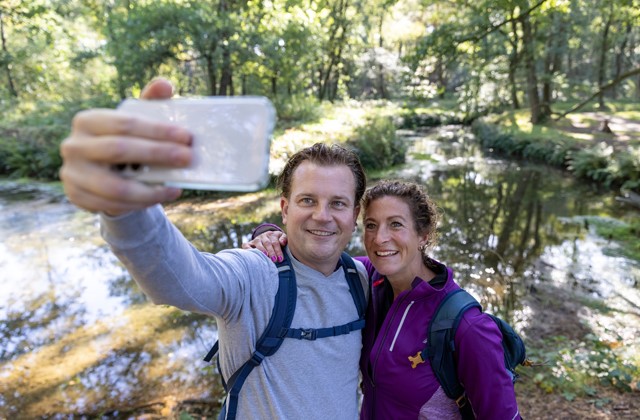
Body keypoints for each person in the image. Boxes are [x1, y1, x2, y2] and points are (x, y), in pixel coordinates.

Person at [59, 78, 370, 419]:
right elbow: (180, 278)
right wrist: (125, 207)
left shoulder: (365, 280)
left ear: (355, 214)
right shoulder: (254, 273)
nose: (322, 216)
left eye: (338, 203)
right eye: (307, 200)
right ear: (285, 209)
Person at [246, 180, 522, 419]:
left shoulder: (468, 328)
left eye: (396, 225)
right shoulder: (367, 279)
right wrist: (268, 234)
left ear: (423, 235)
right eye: (371, 225)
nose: (380, 238)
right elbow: (314, 256)